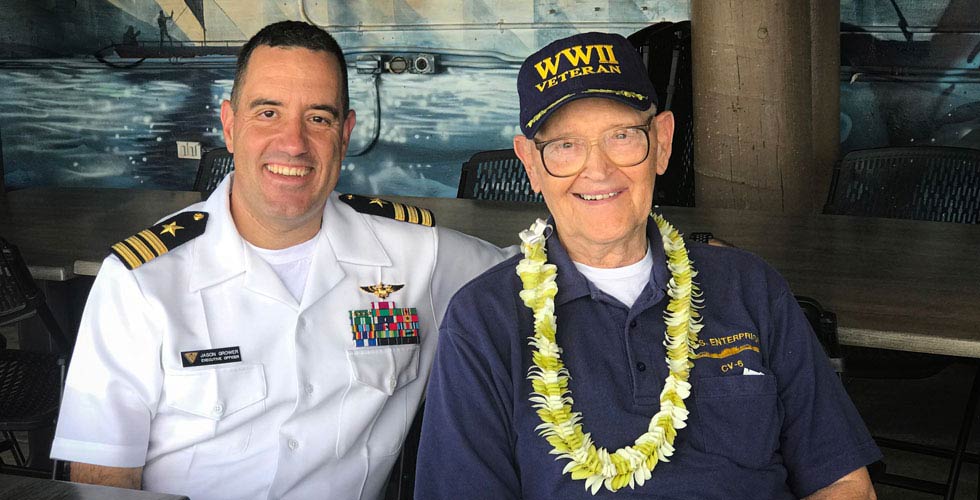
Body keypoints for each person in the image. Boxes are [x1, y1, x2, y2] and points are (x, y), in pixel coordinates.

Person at [50, 21, 513, 500]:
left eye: (318, 118)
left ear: (345, 132)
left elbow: (542, 273)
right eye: (268, 112)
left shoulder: (420, 257)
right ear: (230, 126)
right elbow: (101, 480)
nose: (293, 143)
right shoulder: (140, 282)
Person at [415, 32, 881, 499]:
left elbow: (844, 481)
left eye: (621, 136)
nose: (597, 171)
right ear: (531, 166)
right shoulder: (482, 321)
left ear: (661, 142)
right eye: (565, 146)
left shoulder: (750, 287)